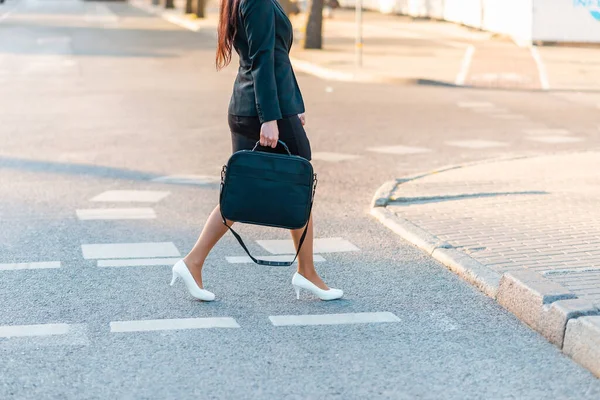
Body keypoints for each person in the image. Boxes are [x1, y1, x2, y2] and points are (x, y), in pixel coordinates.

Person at [169, 0, 343, 302]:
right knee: (295, 185)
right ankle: (306, 272)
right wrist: (270, 119)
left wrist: (294, 106)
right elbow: (263, 60)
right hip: (259, 110)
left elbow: (277, 58)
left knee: (244, 192)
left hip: (252, 106)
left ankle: (193, 262)